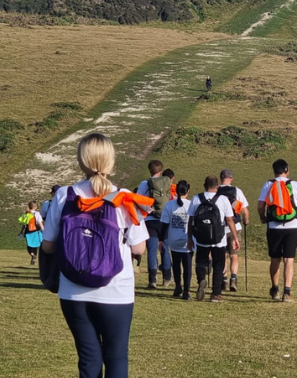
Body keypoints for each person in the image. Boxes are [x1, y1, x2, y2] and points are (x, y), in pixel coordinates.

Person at [41, 132, 149, 378]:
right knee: (116, 357)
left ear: (82, 160)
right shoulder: (123, 198)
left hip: (73, 290)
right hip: (116, 289)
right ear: (110, 162)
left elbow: (48, 246)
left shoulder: (64, 195)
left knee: (88, 359)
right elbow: (139, 248)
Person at [258, 159, 297, 303]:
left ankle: (275, 289)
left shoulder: (269, 184)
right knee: (289, 260)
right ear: (287, 171)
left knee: (275, 258)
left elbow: (261, 206)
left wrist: (263, 218)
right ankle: (287, 292)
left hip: (274, 226)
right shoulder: (296, 185)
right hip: (292, 227)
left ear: (274, 171)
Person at [187, 175, 239, 303]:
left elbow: (190, 220)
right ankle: (216, 294)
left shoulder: (196, 198)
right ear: (217, 187)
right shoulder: (223, 199)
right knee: (218, 265)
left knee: (201, 262)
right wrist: (235, 237)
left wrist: (189, 238)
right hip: (218, 239)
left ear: (204, 186)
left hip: (201, 238)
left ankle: (201, 280)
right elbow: (229, 220)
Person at [135, 160, 172, 289]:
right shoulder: (167, 182)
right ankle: (167, 277)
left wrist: (149, 210)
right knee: (165, 248)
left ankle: (153, 279)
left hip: (150, 220)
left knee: (152, 249)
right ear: (161, 170)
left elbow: (138, 200)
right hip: (165, 220)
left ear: (149, 170)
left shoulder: (144, 184)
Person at [216, 169, 249, 292]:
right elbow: (245, 211)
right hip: (235, 227)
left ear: (220, 178)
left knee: (222, 255)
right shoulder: (237, 191)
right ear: (231, 178)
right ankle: (233, 279)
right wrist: (246, 220)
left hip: (220, 227)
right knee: (234, 255)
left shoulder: (216, 191)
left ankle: (223, 280)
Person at [160, 179, 193, 300]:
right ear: (188, 191)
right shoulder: (191, 204)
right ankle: (187, 291)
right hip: (187, 240)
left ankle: (178, 286)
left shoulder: (169, 205)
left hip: (173, 240)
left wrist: (161, 240)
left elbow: (164, 224)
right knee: (187, 266)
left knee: (176, 265)